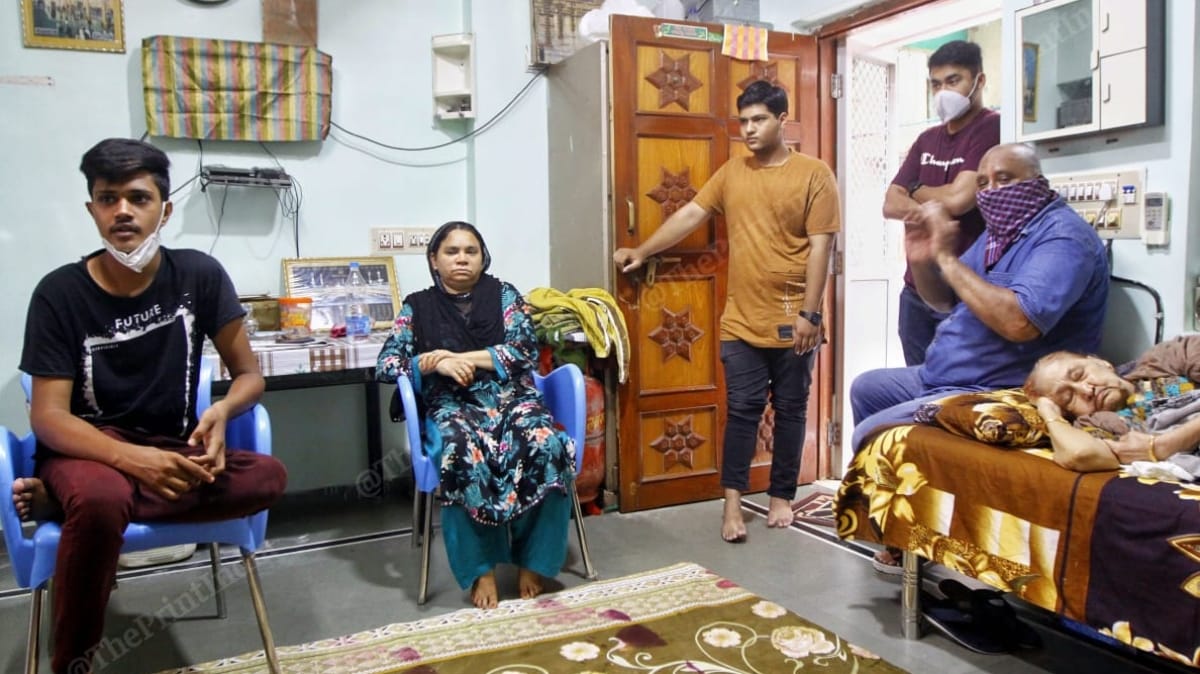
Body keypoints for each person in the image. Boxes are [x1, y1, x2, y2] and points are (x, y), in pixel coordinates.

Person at [11, 138, 288, 673]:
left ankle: (65, 506)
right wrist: (134, 461)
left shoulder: (199, 276)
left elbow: (248, 376)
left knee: (268, 477)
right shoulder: (58, 293)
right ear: (91, 208)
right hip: (87, 452)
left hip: (172, 447)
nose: (122, 212)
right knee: (97, 497)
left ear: (165, 208)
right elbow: (48, 417)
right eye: (107, 198)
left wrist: (221, 413)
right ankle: (72, 663)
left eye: (137, 198)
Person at [849, 142, 1109, 572]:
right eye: (984, 182)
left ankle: (915, 540)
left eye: (1005, 180)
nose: (991, 192)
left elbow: (1018, 322)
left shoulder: (1065, 238)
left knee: (874, 435)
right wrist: (924, 261)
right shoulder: (999, 236)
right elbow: (946, 301)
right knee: (868, 388)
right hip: (943, 375)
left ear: (1039, 184)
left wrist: (947, 257)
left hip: (994, 387)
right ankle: (905, 531)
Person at [612, 81, 840, 544]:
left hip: (795, 319)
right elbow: (691, 215)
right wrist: (644, 249)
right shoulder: (732, 172)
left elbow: (823, 249)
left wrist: (810, 315)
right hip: (740, 320)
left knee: (792, 409)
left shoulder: (815, 174)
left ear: (781, 119)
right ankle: (732, 503)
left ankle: (781, 496)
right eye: (744, 121)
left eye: (759, 120)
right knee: (743, 410)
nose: (749, 130)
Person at [376, 221, 576, 610]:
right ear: (434, 260)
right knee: (460, 448)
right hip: (452, 405)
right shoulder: (416, 307)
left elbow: (524, 351)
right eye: (452, 251)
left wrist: (457, 357)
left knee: (546, 443)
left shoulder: (505, 296)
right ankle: (479, 568)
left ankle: (533, 561)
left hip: (512, 400)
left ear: (483, 257)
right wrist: (430, 364)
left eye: (471, 251)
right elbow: (386, 364)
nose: (462, 258)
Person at [884, 40, 1000, 365]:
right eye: (936, 84)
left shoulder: (992, 128)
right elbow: (890, 203)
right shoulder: (927, 139)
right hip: (917, 289)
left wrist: (917, 188)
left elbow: (961, 200)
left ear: (979, 81)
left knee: (954, 394)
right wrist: (936, 204)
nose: (943, 91)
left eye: (953, 81)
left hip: (965, 288)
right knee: (916, 389)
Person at [1025, 336, 1200, 472]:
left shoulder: (1166, 359)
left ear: (1101, 362)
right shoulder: (1095, 425)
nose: (1087, 390)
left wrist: (1161, 446)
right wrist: (1049, 412)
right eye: (1068, 398)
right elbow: (1080, 454)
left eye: (1079, 375)